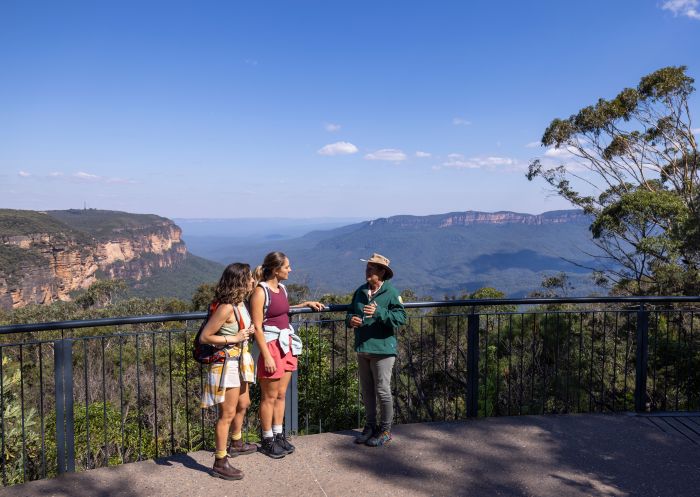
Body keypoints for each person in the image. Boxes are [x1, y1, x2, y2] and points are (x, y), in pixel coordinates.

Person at [250, 251, 324, 458]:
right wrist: (267, 356)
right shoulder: (260, 292)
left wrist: (305, 304)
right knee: (269, 396)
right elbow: (257, 326)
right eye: (287, 267)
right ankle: (266, 439)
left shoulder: (281, 288)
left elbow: (282, 311)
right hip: (271, 347)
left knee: (281, 394)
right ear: (275, 269)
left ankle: (278, 434)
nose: (290, 270)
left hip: (286, 345)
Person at [199, 263, 258, 480]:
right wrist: (233, 338)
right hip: (227, 365)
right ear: (240, 281)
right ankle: (220, 461)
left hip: (240, 361)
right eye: (250, 278)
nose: (253, 281)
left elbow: (240, 329)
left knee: (244, 404)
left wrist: (247, 332)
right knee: (227, 414)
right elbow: (205, 337)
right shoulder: (225, 307)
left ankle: (237, 442)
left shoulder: (241, 303)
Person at [346, 253, 406, 447]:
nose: (367, 270)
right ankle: (370, 427)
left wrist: (379, 312)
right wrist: (350, 320)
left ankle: (385, 430)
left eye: (371, 268)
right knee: (367, 391)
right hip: (363, 348)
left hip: (383, 350)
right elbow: (350, 312)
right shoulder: (361, 291)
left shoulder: (391, 292)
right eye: (367, 267)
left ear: (382, 272)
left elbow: (400, 318)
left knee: (382, 390)